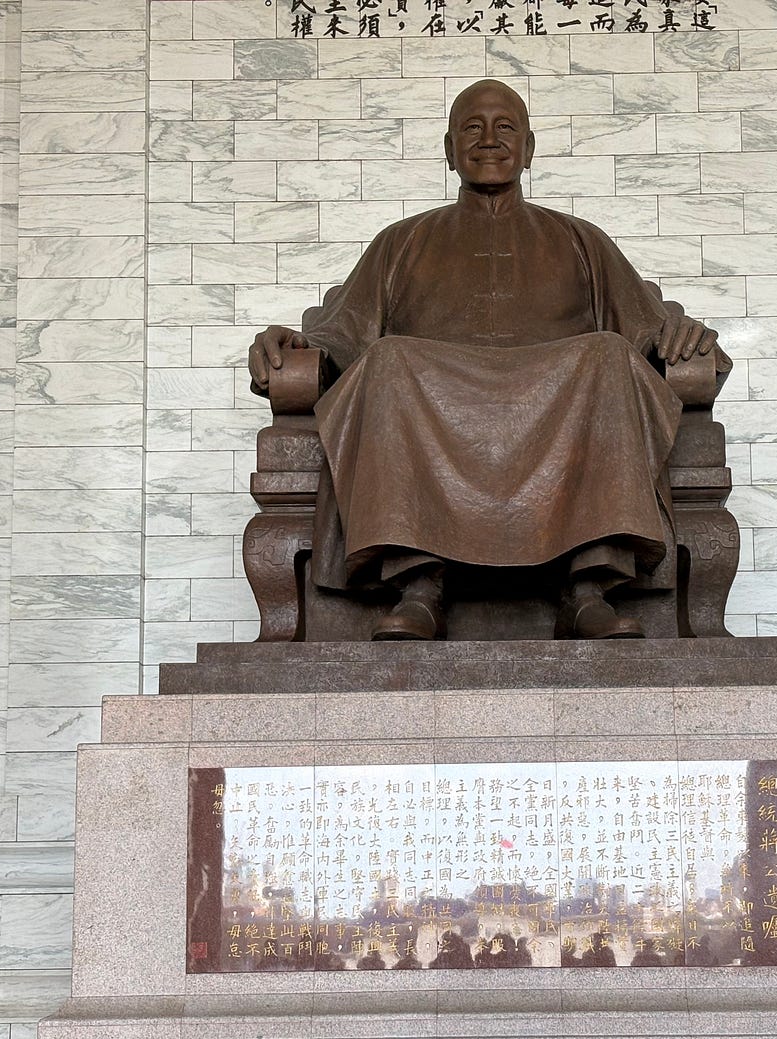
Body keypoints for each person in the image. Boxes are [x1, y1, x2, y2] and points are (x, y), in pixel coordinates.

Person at [248, 79, 728, 641]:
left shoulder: (581, 240)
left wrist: (680, 335)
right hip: (430, 399)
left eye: (506, 128)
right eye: (471, 128)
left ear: (529, 146)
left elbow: (647, 331)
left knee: (608, 354)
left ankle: (587, 586)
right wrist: (299, 345)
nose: (489, 140)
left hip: (562, 398)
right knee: (388, 359)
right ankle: (419, 584)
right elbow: (343, 336)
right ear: (449, 150)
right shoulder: (399, 243)